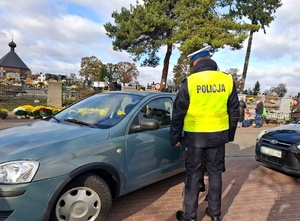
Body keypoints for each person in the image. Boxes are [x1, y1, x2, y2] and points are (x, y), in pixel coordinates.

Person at [170, 45, 240, 221]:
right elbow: (234, 111)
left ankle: (190, 216)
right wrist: (229, 135)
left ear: (196, 63)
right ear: (210, 60)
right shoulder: (227, 80)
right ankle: (215, 214)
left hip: (195, 137)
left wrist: (175, 137)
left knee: (192, 175)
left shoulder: (190, 82)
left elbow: (178, 112)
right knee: (215, 174)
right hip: (218, 136)